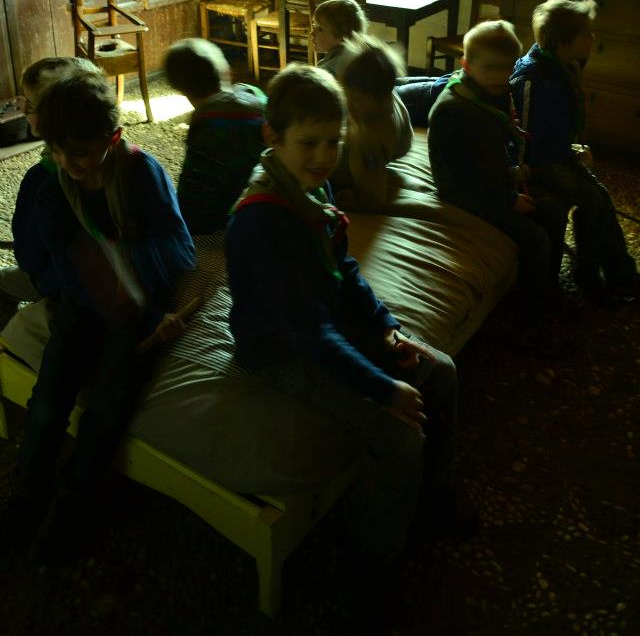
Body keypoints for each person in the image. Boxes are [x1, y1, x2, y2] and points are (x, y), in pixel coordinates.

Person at [225, 64, 465, 604]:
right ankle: (369, 564)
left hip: (323, 321)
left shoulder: (314, 188)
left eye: (333, 142)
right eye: (308, 143)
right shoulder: (262, 220)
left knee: (441, 371)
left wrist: (385, 328)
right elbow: (304, 333)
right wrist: (381, 389)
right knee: (397, 433)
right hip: (279, 348)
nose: (324, 155)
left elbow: (344, 271)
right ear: (272, 136)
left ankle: (433, 499)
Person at [0, 70, 195, 561]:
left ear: (113, 138)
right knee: (48, 401)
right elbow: (56, 269)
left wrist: (137, 293)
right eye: (56, 151)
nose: (69, 164)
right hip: (82, 304)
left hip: (137, 311)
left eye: (81, 153)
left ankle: (73, 506)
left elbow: (178, 248)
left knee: (106, 410)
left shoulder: (143, 172)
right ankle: (27, 493)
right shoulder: (48, 184)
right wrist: (95, 286)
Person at [427, 20, 570, 353]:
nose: (499, 75)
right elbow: (464, 181)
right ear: (466, 65)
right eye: (489, 68)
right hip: (464, 196)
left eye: (506, 68)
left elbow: (493, 151)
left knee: (555, 211)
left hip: (492, 181)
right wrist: (508, 200)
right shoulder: (454, 111)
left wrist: (512, 173)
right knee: (535, 238)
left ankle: (545, 294)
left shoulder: (490, 92)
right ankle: (530, 327)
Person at [510, 0, 638, 303]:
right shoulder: (533, 78)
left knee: (600, 197)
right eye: (586, 34)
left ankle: (604, 271)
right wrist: (523, 172)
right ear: (563, 41)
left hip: (558, 154)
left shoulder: (564, 66)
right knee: (595, 198)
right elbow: (521, 133)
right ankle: (604, 275)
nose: (593, 38)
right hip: (539, 164)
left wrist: (573, 147)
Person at [0, 56, 102, 329]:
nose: (24, 110)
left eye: (30, 104)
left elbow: (28, 258)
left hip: (72, 291)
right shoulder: (123, 155)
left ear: (50, 114)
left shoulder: (40, 180)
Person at [164, 38, 266, 234]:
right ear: (227, 71)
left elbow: (194, 204)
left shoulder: (208, 127)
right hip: (280, 200)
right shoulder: (256, 95)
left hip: (242, 223)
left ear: (179, 89)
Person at [332, 33, 413, 210]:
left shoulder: (369, 136)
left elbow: (374, 198)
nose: (349, 103)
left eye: (356, 99)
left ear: (381, 99)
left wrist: (360, 201)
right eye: (346, 94)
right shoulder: (383, 94)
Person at [312, 0, 368, 77]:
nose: (312, 33)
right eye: (314, 26)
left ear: (342, 37)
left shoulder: (329, 71)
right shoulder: (353, 59)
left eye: (320, 29)